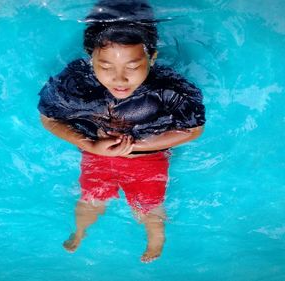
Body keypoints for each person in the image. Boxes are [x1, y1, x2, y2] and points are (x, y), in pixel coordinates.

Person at [37, 0, 205, 263]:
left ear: (152, 57)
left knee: (149, 206)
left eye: (132, 66)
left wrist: (137, 146)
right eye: (105, 67)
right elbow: (48, 119)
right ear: (90, 56)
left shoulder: (168, 90)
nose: (119, 79)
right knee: (91, 198)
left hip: (148, 159)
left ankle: (156, 239)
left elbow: (193, 129)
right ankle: (80, 231)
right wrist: (91, 145)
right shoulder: (75, 84)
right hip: (97, 154)